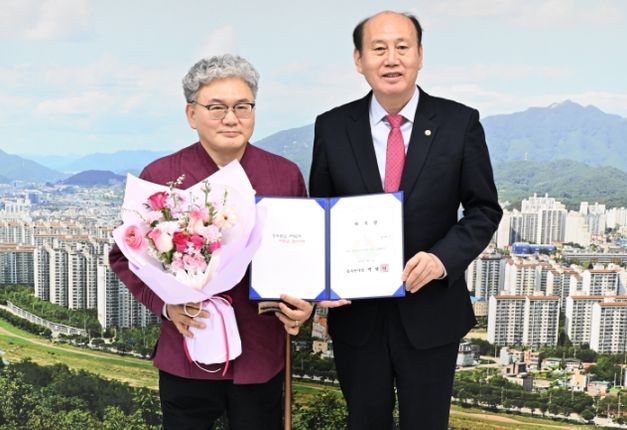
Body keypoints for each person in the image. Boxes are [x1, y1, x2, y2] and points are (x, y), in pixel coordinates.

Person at [310, 11, 502, 429]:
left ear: (420, 55)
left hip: (431, 314)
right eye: (378, 48)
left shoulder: (459, 122)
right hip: (357, 316)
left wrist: (441, 260)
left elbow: (484, 210)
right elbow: (318, 215)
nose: (391, 58)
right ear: (359, 60)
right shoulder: (332, 127)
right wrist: (318, 283)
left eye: (402, 47)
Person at [109, 54, 313, 430]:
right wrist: (166, 306)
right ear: (192, 114)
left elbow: (304, 252)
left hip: (261, 352)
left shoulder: (284, 175)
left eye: (243, 106)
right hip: (187, 349)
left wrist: (306, 305)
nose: (231, 118)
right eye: (216, 107)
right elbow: (124, 256)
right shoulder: (162, 176)